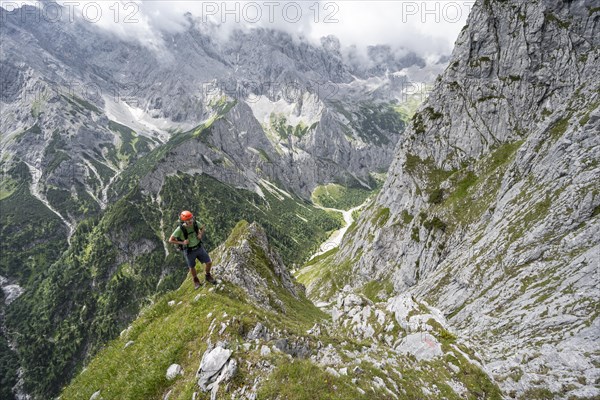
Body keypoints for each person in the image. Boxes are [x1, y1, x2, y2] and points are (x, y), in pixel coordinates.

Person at [169, 210, 217, 289]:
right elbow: (171, 240)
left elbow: (202, 227)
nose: (190, 221)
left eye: (191, 218)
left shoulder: (195, 223)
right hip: (189, 250)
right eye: (188, 220)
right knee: (191, 267)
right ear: (184, 221)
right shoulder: (180, 229)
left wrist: (200, 234)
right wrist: (183, 242)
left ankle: (207, 275)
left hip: (198, 247)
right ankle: (196, 281)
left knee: (209, 262)